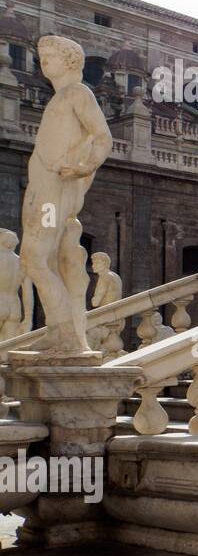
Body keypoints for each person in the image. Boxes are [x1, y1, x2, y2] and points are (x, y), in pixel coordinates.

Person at [20, 36, 112, 353]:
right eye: (41, 56)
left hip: (55, 188)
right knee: (52, 259)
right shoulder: (60, 97)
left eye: (49, 55)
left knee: (33, 257)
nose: (43, 61)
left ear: (70, 60)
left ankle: (63, 331)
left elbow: (103, 136)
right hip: (42, 187)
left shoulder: (77, 93)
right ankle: (63, 331)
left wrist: (84, 168)